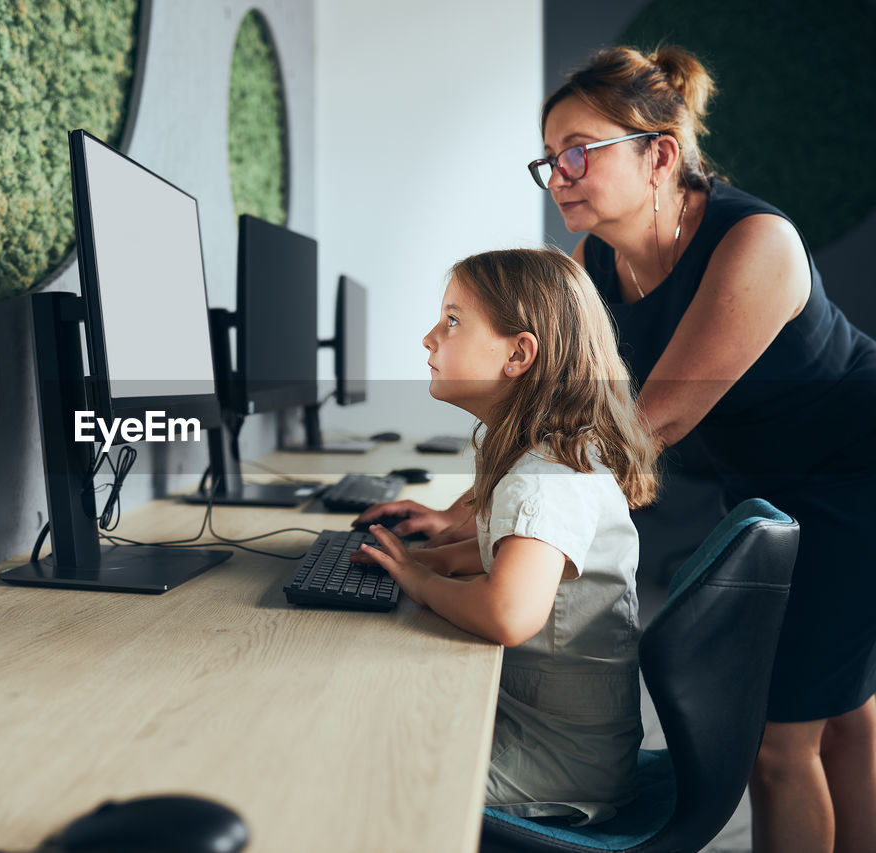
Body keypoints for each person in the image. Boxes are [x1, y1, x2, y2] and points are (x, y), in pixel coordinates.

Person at [368, 45, 876, 852]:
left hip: (851, 474)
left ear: (659, 155)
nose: (558, 173)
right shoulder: (595, 260)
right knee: (842, 716)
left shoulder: (756, 244)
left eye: (578, 151)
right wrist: (458, 515)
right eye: (549, 158)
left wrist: (475, 533)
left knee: (782, 747)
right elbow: (561, 408)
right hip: (761, 476)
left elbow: (629, 430)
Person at [357, 247, 659, 825]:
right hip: (558, 740)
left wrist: (419, 581)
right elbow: (525, 552)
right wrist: (441, 559)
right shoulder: (554, 452)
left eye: (451, 321)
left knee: (367, 765)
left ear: (519, 354)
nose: (429, 338)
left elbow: (508, 613)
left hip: (557, 764)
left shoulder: (548, 476)